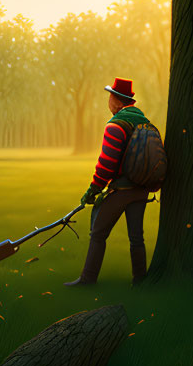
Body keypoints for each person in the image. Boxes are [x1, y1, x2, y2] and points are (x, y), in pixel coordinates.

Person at [64, 78, 153, 287]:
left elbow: (106, 164)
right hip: (141, 189)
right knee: (136, 238)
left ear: (116, 100)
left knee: (98, 233)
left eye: (110, 96)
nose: (108, 100)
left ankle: (88, 279)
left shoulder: (115, 125)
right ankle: (140, 281)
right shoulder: (144, 122)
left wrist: (93, 190)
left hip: (121, 190)